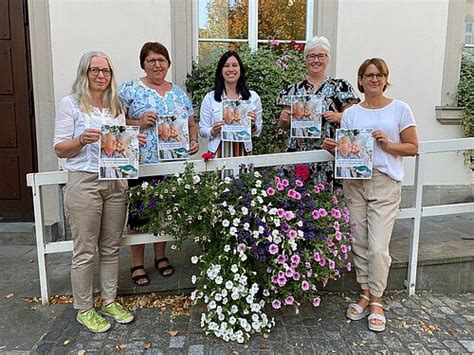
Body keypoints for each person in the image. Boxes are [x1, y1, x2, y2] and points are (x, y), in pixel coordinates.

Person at [322, 58, 419, 332]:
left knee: (378, 247)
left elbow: (413, 147)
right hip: (355, 181)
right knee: (360, 242)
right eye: (368, 75)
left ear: (386, 79)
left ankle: (377, 298)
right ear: (360, 81)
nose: (374, 79)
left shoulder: (400, 109)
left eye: (379, 75)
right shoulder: (352, 113)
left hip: (385, 182)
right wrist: (335, 148)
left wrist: (388, 145)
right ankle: (366, 293)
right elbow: (349, 151)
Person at [53, 51, 134, 333]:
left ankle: (109, 301)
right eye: (94, 70)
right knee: (85, 249)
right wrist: (80, 140)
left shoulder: (116, 106)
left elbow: (119, 147)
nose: (101, 75)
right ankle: (84, 308)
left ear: (111, 75)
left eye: (106, 71)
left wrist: (133, 143)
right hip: (84, 181)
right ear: (84, 72)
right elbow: (59, 147)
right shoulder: (71, 104)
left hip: (114, 182)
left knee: (111, 248)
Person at [119, 42, 199, 286]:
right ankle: (136, 263)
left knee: (164, 212)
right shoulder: (130, 89)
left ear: (168, 64)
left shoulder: (178, 93)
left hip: (171, 164)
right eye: (152, 60)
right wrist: (138, 122)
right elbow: (114, 124)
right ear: (143, 63)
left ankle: (161, 257)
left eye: (161, 60)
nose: (157, 65)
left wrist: (194, 140)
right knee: (139, 213)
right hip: (142, 163)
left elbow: (191, 123)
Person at [277, 36, 359, 186]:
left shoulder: (341, 86)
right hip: (299, 154)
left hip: (330, 152)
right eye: (312, 56)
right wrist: (283, 120)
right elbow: (284, 126)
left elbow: (355, 118)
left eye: (321, 56)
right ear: (305, 60)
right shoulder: (293, 90)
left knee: (329, 204)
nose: (316, 60)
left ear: (327, 59)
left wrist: (338, 116)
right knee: (299, 201)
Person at [199, 51, 263, 157]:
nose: (231, 69)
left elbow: (258, 130)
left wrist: (253, 126)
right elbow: (202, 130)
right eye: (226, 66)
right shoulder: (210, 98)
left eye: (235, 65)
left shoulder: (253, 97)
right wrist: (213, 131)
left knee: (244, 174)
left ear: (240, 70)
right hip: (218, 152)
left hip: (244, 151)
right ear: (220, 71)